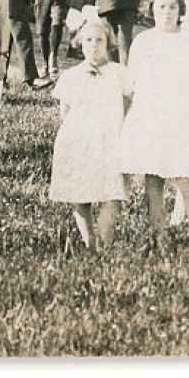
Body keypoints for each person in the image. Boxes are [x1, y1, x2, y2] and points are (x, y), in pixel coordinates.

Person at [119, 0, 189, 250]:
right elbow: (132, 84)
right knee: (153, 178)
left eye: (172, 7)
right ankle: (159, 236)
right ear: (152, 10)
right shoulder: (144, 41)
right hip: (151, 115)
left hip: (181, 116)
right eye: (161, 7)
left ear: (181, 10)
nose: (167, 13)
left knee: (186, 179)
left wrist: (188, 114)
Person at [49, 17, 128, 251]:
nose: (93, 44)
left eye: (99, 40)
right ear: (79, 43)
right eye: (88, 40)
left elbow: (129, 102)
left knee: (113, 193)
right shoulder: (71, 75)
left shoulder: (119, 73)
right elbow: (65, 111)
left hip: (110, 139)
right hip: (79, 139)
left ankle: (104, 242)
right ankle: (89, 241)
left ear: (109, 42)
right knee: (79, 193)